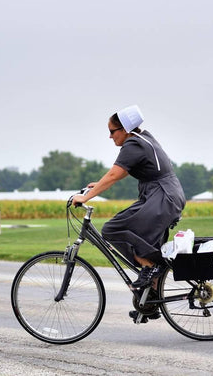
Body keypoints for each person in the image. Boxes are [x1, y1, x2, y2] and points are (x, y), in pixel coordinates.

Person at [72, 105, 186, 291]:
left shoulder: (133, 144)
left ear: (124, 129)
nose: (110, 136)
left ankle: (150, 266)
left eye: (112, 131)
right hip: (165, 195)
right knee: (148, 245)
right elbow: (121, 171)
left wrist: (85, 198)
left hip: (162, 198)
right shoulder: (143, 138)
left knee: (111, 229)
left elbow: (114, 175)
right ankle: (150, 303)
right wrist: (98, 184)